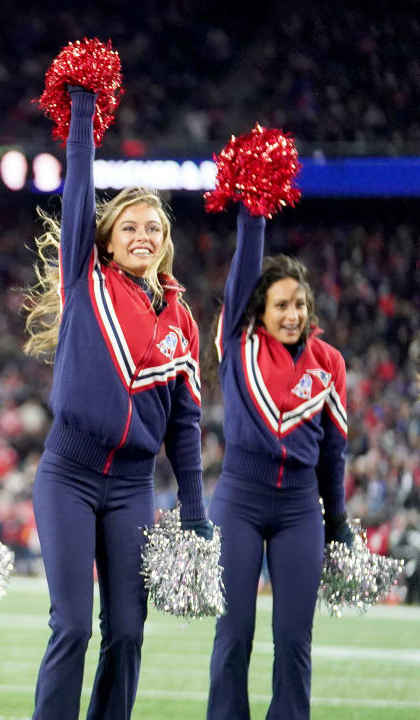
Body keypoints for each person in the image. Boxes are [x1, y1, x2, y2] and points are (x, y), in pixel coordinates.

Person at [21, 86, 209, 720]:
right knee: (72, 625)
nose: (144, 236)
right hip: (69, 475)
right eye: (129, 226)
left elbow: (185, 420)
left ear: (165, 243)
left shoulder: (181, 318)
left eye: (154, 228)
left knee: (127, 633)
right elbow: (78, 187)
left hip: (133, 487)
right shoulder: (86, 280)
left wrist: (193, 505)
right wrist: (82, 113)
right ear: (105, 239)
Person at [206, 209, 350, 720]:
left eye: (301, 304)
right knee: (234, 633)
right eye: (281, 305)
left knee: (293, 640)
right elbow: (243, 272)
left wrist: (338, 522)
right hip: (239, 500)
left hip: (299, 509)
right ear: (259, 311)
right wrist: (254, 217)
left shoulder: (329, 362)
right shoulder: (238, 344)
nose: (293, 314)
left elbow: (334, 451)